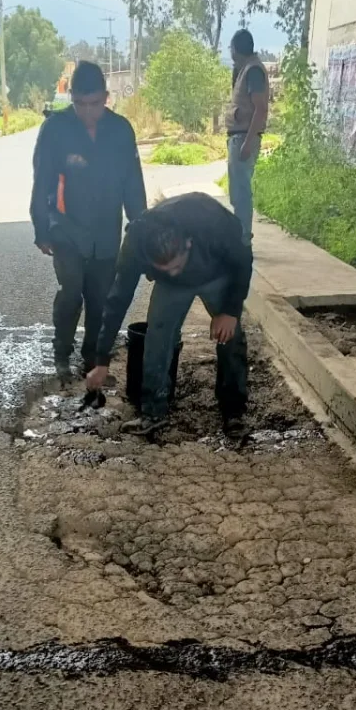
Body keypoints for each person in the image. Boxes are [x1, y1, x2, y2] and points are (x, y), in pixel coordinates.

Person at [86, 193, 253, 438]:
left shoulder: (211, 220)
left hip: (217, 274)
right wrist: (101, 360)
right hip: (171, 290)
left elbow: (243, 260)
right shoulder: (136, 243)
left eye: (176, 266)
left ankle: (234, 411)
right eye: (166, 269)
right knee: (157, 337)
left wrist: (230, 311)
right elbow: (117, 300)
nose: (175, 272)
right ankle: (153, 412)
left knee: (231, 336)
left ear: (188, 242)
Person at [30, 60, 147, 382]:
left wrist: (141, 229)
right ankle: (61, 353)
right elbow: (41, 181)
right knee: (71, 291)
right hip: (66, 226)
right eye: (80, 104)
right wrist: (41, 226)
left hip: (106, 231)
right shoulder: (55, 129)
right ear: (72, 99)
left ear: (106, 97)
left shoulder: (121, 130)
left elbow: (133, 184)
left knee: (101, 297)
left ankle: (94, 359)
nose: (87, 112)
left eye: (94, 103)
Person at [226, 30, 269, 246]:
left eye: (231, 48)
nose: (230, 52)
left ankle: (243, 240)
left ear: (236, 49)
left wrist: (248, 143)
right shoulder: (244, 69)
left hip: (244, 138)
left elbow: (260, 109)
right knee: (237, 191)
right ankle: (240, 236)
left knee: (241, 192)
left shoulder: (253, 71)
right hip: (239, 137)